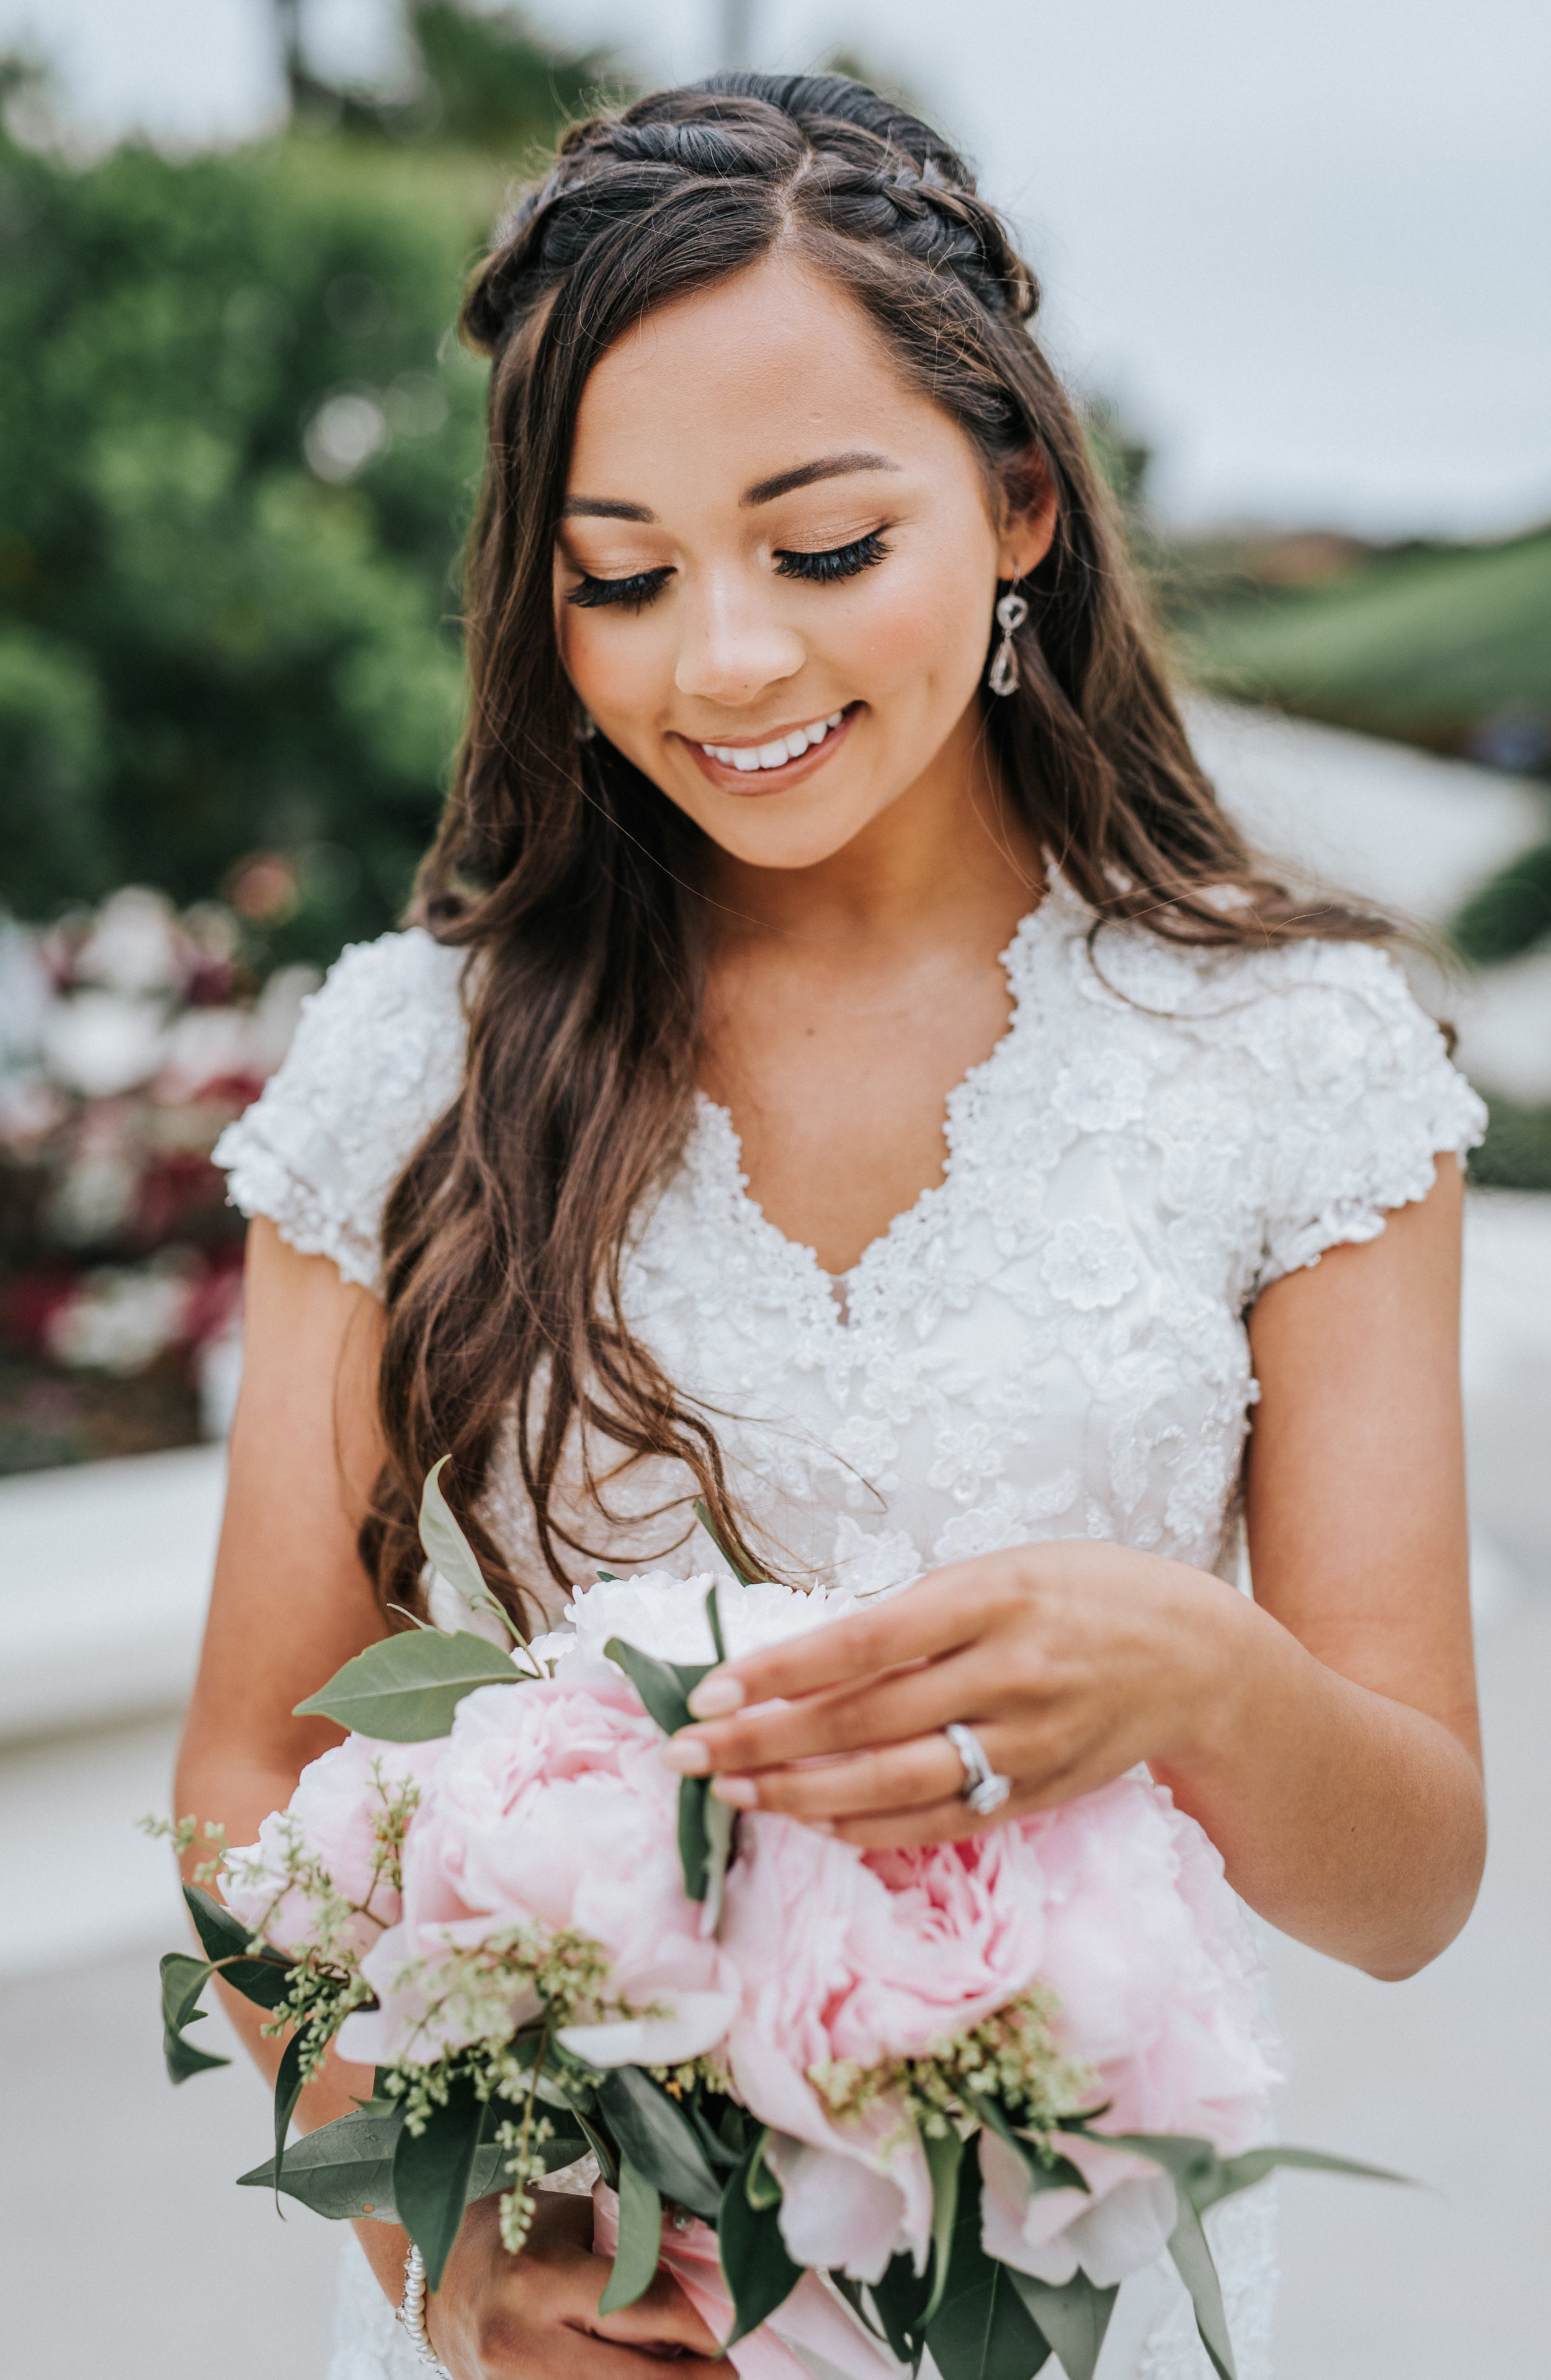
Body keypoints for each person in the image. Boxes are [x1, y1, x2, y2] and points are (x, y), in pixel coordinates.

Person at [178, 72, 1486, 2380]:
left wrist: (1193, 1674)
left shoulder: (1294, 1055)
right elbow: (249, 1779)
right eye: (620, 574)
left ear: (1014, 501)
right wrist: (444, 2245)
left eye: (817, 545)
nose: (726, 664)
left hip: (1082, 2320)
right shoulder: (413, 1061)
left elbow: (1406, 1885)